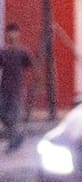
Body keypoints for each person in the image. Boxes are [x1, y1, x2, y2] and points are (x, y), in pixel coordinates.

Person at [0, 23, 33, 153]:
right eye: (9, 32)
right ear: (6, 34)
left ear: (18, 34)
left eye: (14, 32)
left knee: (14, 117)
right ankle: (19, 134)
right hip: (3, 89)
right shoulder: (2, 52)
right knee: (2, 114)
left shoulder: (23, 52)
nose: (11, 35)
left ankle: (12, 144)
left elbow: (30, 65)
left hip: (17, 90)